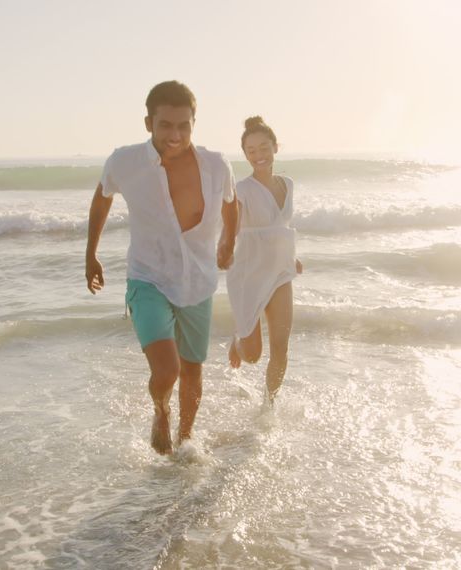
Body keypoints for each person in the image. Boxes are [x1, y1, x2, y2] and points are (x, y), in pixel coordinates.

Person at [85, 81, 238, 455]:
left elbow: (232, 204)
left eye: (184, 125)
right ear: (148, 123)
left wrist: (229, 240)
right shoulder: (124, 162)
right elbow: (101, 198)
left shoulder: (217, 166)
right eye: (166, 125)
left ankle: (186, 443)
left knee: (192, 372)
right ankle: (160, 410)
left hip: (198, 280)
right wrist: (91, 253)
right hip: (148, 277)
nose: (175, 135)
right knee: (167, 371)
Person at [226, 116, 302, 406]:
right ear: (245, 155)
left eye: (264, 147)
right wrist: (219, 256)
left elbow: (281, 228)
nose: (259, 155)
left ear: (275, 147)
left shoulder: (288, 184)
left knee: (281, 348)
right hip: (249, 272)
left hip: (281, 271)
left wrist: (293, 258)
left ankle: (268, 405)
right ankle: (237, 341)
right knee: (253, 354)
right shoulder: (241, 189)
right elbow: (231, 229)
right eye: (252, 150)